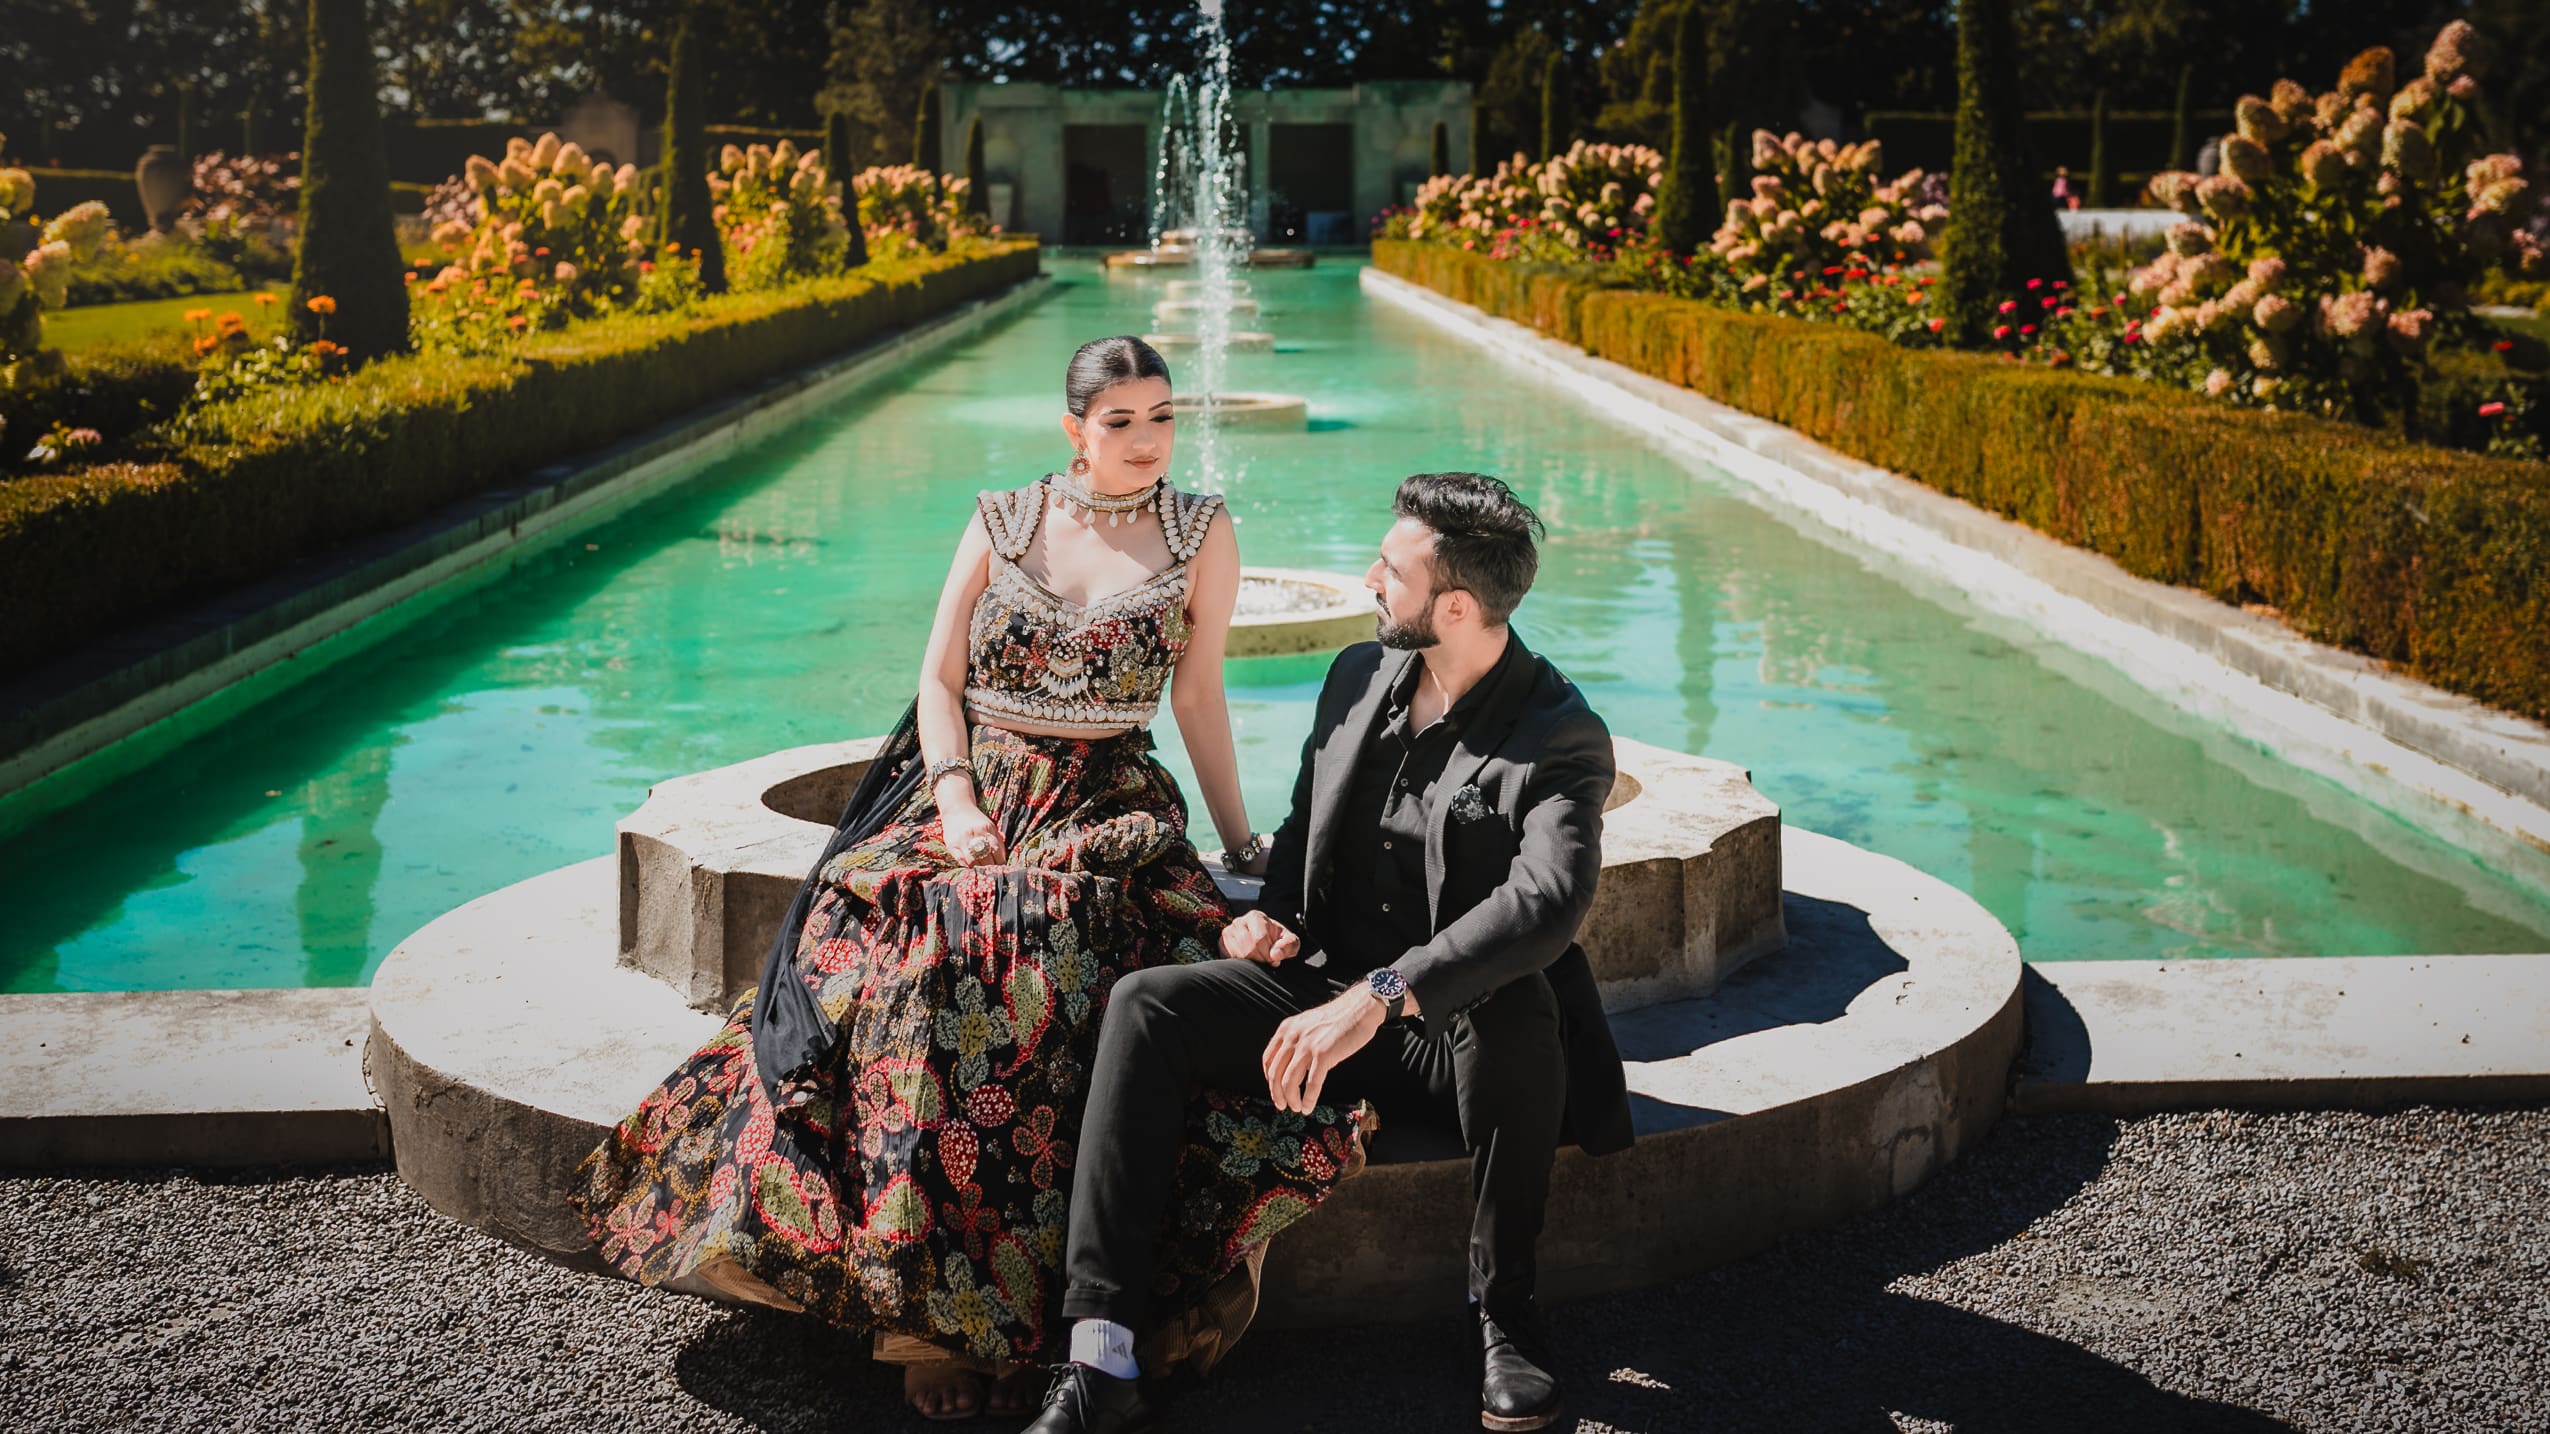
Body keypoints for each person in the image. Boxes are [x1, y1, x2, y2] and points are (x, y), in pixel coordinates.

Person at [569, 336, 1372, 1422]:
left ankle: (1020, 1315)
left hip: (1105, 803)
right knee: (915, 956)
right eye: (1122, 420)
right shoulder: (1003, 516)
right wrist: (954, 801)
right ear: (1074, 429)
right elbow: (938, 676)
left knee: (1041, 948)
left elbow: (1197, 699)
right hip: (974, 787)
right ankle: (922, 1319)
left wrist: (1236, 848)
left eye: (1163, 416)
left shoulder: (1203, 528)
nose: (1147, 441)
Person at [1027, 473, 1636, 1434]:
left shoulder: (1558, 735)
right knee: (1147, 1005)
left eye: (1388, 572)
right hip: (1321, 1000)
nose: (1366, 581)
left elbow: (1545, 906)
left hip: (1453, 1040)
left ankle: (1506, 1315)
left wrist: (1384, 993)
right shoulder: (1359, 674)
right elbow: (1305, 825)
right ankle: (1101, 1353)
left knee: (1517, 999)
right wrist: (1264, 918)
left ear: (1459, 606)